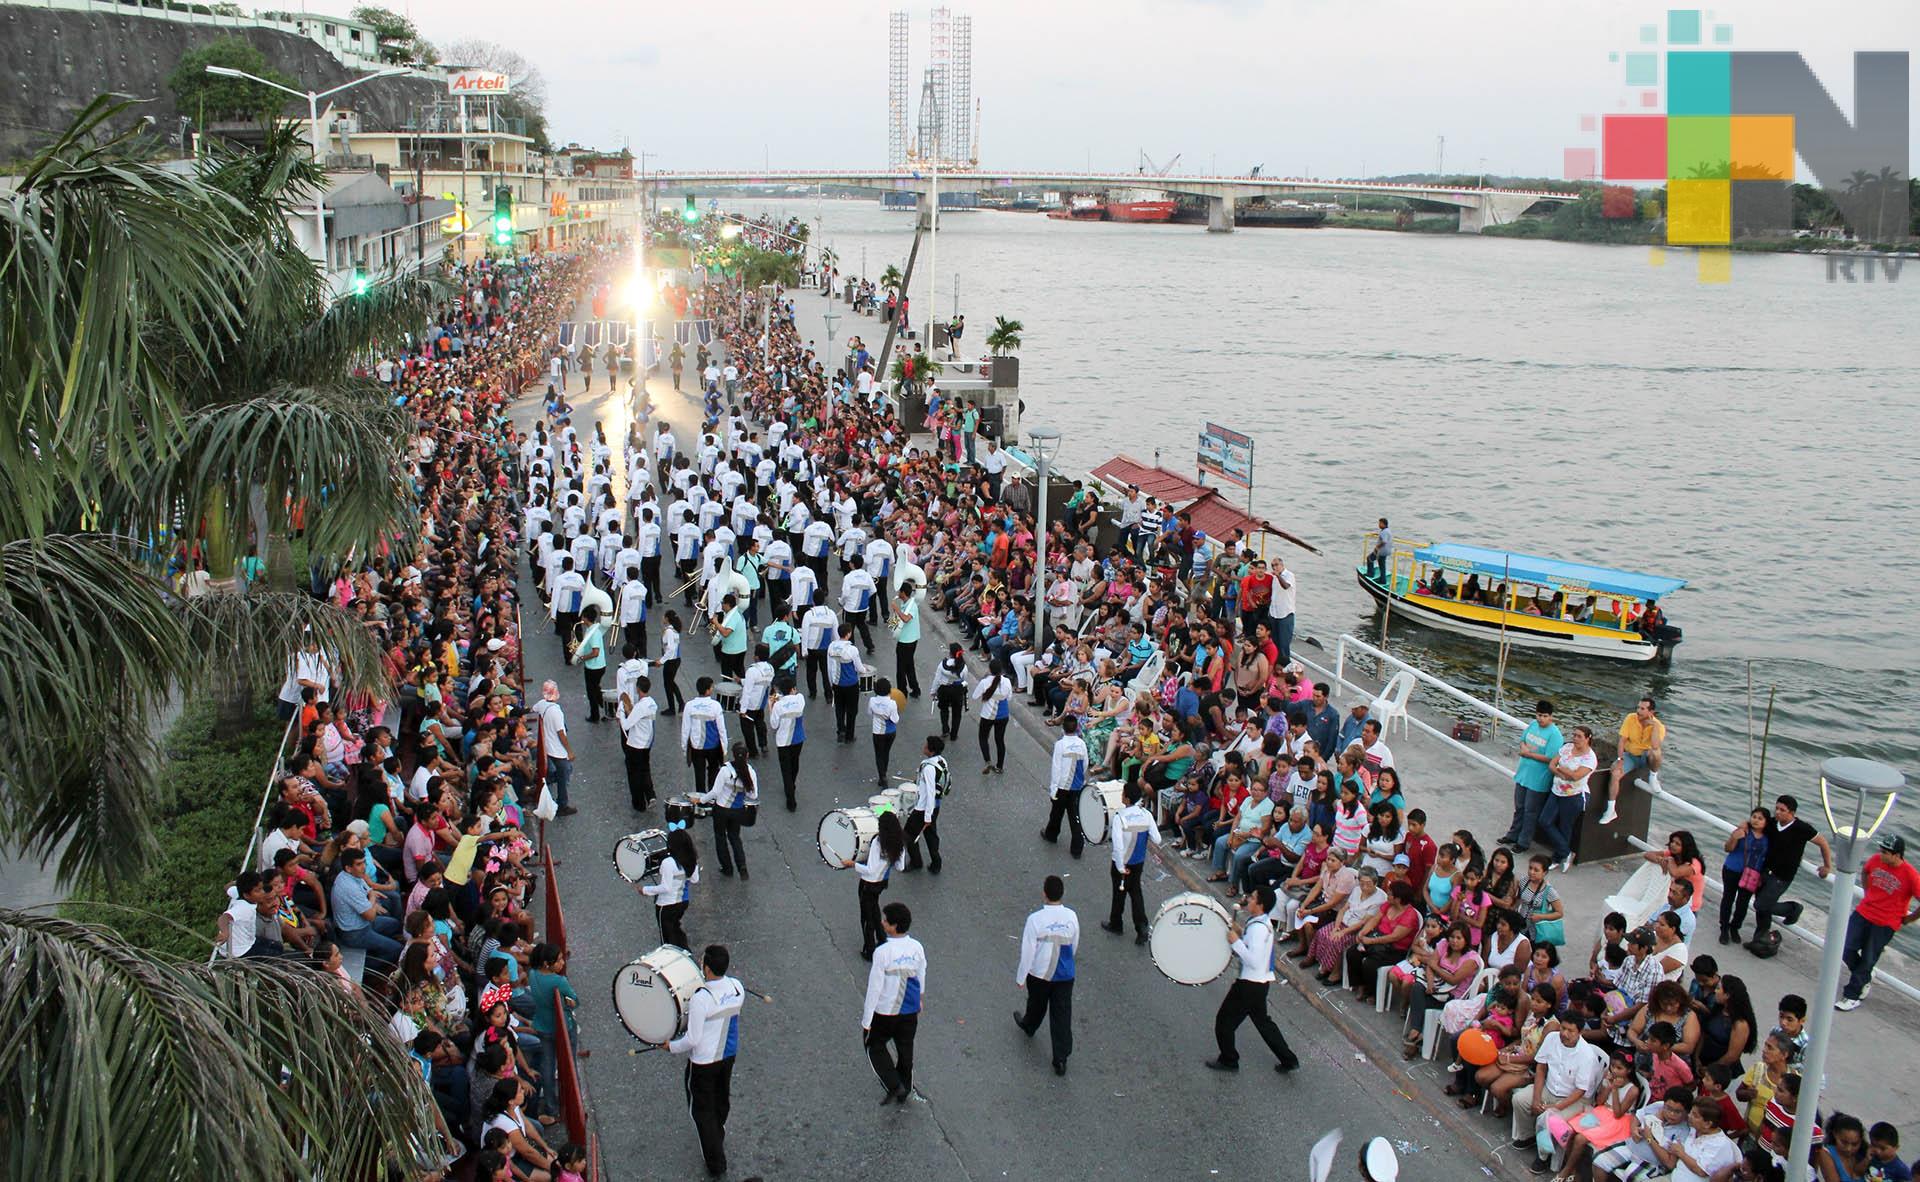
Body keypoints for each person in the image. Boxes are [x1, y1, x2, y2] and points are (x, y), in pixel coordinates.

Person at [657, 944, 745, 1179]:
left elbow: (692, 1039)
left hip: (705, 1061)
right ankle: (719, 1131)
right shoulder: (737, 987)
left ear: (706, 968)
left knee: (702, 1110)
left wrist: (670, 1047)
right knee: (721, 1097)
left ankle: (716, 1160)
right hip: (728, 1055)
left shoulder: (701, 998)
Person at [1204, 883, 1302, 1074]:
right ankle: (1289, 1059)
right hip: (1259, 984)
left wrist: (1235, 942)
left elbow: (1253, 960)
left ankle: (1229, 1060)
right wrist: (1240, 935)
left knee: (1224, 1022)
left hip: (1248, 985)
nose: (1248, 899)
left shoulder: (1258, 928)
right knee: (1264, 1023)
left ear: (1261, 904)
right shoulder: (1261, 922)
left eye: (1252, 898)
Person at [1834, 833, 1920, 1012]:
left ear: (1897, 855)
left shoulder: (1911, 875)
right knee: (1844, 946)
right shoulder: (1875, 860)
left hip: (1886, 922)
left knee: (1868, 958)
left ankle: (1852, 995)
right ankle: (1865, 976)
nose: (1882, 854)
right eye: (1882, 850)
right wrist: (1868, 892)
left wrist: (1910, 919)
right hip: (1864, 912)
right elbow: (1866, 871)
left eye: (1886, 852)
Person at [1510, 1018, 1609, 1165]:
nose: (1564, 1033)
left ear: (1580, 1033)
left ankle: (1543, 1157)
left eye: (1570, 1031)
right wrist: (1537, 1098)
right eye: (1563, 1028)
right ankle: (1529, 1136)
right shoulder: (1552, 1038)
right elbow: (1541, 1067)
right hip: (1550, 1089)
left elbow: (1581, 1090)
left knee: (1550, 1120)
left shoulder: (1586, 1055)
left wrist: (1556, 1107)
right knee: (1519, 1099)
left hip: (1575, 1099)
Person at [1747, 795, 1833, 957]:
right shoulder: (1772, 823)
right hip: (1765, 871)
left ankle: (1792, 909)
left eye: (1782, 810)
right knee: (1762, 910)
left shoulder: (1802, 828)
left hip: (1782, 875)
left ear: (1792, 813)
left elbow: (1823, 843)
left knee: (1761, 905)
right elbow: (1752, 825)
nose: (1778, 812)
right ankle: (1759, 939)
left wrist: (1827, 866)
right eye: (1777, 809)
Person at [1014, 873, 1080, 1076]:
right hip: (1065, 975)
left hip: (1040, 974)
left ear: (1044, 894)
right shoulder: (1071, 917)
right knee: (1061, 1015)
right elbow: (1074, 944)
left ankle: (1030, 1025)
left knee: (1036, 1003)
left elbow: (1028, 950)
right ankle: (1060, 1058)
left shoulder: (1035, 920)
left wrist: (1021, 976)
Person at [863, 901, 928, 1105]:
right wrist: (919, 999)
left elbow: (874, 988)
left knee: (874, 1045)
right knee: (905, 1049)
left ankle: (893, 1083)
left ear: (894, 926)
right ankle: (905, 1087)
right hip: (909, 1010)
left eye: (885, 920)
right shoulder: (917, 947)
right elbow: (921, 975)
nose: (882, 923)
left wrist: (867, 1019)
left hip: (885, 1012)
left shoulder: (882, 952)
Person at [1101, 780, 1160, 945]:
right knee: (1136, 893)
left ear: (1126, 798)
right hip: (1138, 862)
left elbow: (1118, 846)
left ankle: (1116, 923)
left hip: (1123, 862)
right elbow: (1157, 838)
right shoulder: (1147, 815)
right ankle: (1141, 927)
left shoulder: (1120, 818)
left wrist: (1120, 866)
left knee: (1119, 893)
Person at [843, 809, 907, 959]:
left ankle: (870, 949)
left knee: (866, 917)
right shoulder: (899, 841)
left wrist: (852, 864)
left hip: (868, 884)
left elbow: (870, 869)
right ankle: (882, 937)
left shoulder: (878, 842)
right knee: (874, 908)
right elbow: (900, 867)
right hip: (882, 882)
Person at [1502, 701, 1563, 851]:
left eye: (1544, 716)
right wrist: (1523, 748)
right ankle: (1512, 835)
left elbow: (1551, 758)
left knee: (1531, 812)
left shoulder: (1555, 735)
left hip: (1539, 780)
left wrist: (1529, 754)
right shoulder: (1532, 725)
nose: (1541, 719)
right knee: (1519, 807)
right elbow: (1523, 739)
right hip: (1523, 775)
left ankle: (1523, 842)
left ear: (1551, 717)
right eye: (1539, 715)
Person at [1540, 726, 1598, 873]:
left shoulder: (1590, 758)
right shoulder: (1567, 747)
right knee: (1545, 821)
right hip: (1557, 790)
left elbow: (1577, 776)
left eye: (1579, 736)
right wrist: (1562, 771)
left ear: (1587, 738)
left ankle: (1558, 857)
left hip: (1574, 795)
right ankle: (1566, 851)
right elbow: (1553, 764)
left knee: (1566, 826)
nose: (1575, 739)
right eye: (1574, 735)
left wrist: (1563, 770)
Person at [1600, 696, 1665, 824]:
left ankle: (1653, 777)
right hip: (1630, 755)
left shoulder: (1659, 726)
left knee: (1655, 753)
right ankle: (1611, 809)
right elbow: (1622, 740)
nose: (1638, 711)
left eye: (1642, 709)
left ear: (1651, 712)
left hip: (1646, 757)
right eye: (1638, 707)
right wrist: (1619, 759)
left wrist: (1655, 727)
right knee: (1615, 773)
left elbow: (1656, 746)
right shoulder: (1631, 718)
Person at [640, 828, 700, 949]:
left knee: (666, 938)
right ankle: (684, 952)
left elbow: (665, 887)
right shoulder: (692, 860)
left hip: (666, 905)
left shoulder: (668, 862)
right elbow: (694, 879)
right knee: (675, 928)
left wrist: (645, 890)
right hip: (682, 902)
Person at [705, 744, 757, 879]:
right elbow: (753, 796)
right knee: (735, 837)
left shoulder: (725, 770)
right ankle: (742, 866)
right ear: (747, 756)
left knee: (720, 838)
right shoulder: (750, 771)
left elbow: (715, 792)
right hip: (737, 811)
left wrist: (701, 800)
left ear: (733, 755)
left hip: (721, 810)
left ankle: (727, 868)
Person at [1040, 716, 1090, 858]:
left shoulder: (1060, 745)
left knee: (1056, 813)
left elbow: (1056, 768)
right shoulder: (1081, 744)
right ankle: (1077, 848)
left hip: (1062, 786)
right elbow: (1085, 763)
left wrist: (1053, 788)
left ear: (1063, 728)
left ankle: (1051, 834)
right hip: (1076, 786)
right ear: (1077, 728)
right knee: (1074, 817)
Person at [530, 680, 576, 816]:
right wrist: (569, 751)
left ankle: (546, 782)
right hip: (557, 750)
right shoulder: (556, 712)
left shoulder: (541, 704)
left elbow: (533, 708)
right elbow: (561, 733)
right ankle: (562, 804)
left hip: (546, 747)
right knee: (564, 774)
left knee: (557, 771)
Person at [903, 736, 946, 873]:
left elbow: (930, 792)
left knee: (908, 835)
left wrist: (927, 816)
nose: (924, 747)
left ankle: (916, 862)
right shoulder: (941, 761)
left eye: (926, 745)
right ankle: (936, 862)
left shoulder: (928, 768)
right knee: (930, 834)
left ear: (931, 751)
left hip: (924, 809)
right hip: (935, 807)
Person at [681, 677, 728, 797]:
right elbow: (721, 729)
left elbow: (685, 729)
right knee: (713, 771)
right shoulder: (716, 706)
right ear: (707, 691)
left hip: (697, 747)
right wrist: (725, 747)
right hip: (713, 746)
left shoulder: (689, 706)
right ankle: (712, 798)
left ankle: (700, 800)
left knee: (699, 774)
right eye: (712, 687)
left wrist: (684, 747)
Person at [617, 679, 658, 810]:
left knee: (634, 774)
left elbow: (627, 724)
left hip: (635, 744)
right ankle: (650, 795)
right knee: (645, 769)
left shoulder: (641, 706)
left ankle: (639, 803)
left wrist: (622, 713)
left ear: (638, 689)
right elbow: (638, 716)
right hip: (647, 742)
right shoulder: (652, 703)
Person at [571, 606, 610, 723]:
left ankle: (595, 716)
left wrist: (582, 657)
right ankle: (608, 708)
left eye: (583, 616)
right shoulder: (591, 630)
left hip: (593, 667)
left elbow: (595, 652)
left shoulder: (593, 633)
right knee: (596, 690)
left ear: (586, 618)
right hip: (598, 666)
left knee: (591, 693)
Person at [869, 676, 901, 788]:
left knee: (878, 754)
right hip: (890, 732)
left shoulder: (872, 701)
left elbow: (869, 713)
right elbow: (895, 719)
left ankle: (882, 776)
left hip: (877, 732)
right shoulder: (892, 704)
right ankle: (884, 773)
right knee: (886, 753)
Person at [1364, 517, 1392, 584]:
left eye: (1380, 523)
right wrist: (1378, 534)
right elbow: (1384, 537)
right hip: (1387, 550)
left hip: (1381, 551)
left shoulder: (1384, 532)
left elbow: (1384, 541)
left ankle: (1370, 573)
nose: (1379, 525)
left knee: (1369, 558)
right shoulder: (1387, 530)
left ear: (1383, 524)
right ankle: (1383, 580)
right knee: (1382, 565)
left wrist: (1377, 547)